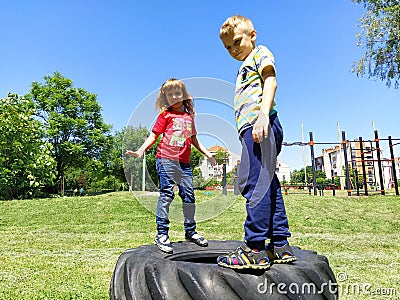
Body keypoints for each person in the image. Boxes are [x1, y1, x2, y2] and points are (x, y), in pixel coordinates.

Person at [217, 15, 296, 269]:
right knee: (268, 183)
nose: (233, 49)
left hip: (261, 126)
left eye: (237, 41)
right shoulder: (243, 65)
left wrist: (263, 115)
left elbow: (271, 79)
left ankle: (254, 248)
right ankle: (280, 245)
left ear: (252, 35)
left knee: (255, 185)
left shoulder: (260, 53)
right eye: (228, 47)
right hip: (256, 129)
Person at [126, 78, 216, 254]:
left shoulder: (189, 117)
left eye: (178, 93)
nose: (174, 97)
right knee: (167, 194)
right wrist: (140, 151)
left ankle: (190, 232)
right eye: (170, 94)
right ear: (166, 98)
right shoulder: (165, 115)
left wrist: (208, 154)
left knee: (189, 196)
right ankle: (161, 234)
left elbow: (194, 140)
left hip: (184, 163)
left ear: (183, 95)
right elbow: (153, 136)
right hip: (166, 159)